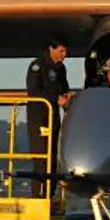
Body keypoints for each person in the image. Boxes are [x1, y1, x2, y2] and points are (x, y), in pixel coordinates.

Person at [26, 35, 72, 198]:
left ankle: (49, 195)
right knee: (41, 158)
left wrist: (67, 98)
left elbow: (63, 87)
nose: (64, 54)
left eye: (65, 51)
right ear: (51, 49)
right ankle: (37, 195)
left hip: (54, 117)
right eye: (61, 51)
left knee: (52, 158)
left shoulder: (61, 68)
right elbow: (34, 91)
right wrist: (55, 99)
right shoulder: (37, 66)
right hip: (39, 116)